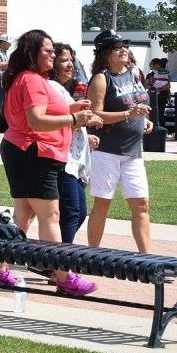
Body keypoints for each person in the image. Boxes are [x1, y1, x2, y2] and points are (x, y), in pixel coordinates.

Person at [0, 29, 100, 295]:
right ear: (32, 54)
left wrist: (73, 108)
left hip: (22, 150)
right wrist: (74, 120)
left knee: (23, 216)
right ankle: (63, 275)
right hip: (33, 152)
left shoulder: (25, 78)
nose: (53, 54)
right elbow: (36, 120)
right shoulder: (33, 80)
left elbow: (37, 114)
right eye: (47, 50)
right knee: (51, 216)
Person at [86, 30, 155, 253]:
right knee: (103, 204)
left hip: (133, 153)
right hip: (107, 151)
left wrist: (145, 119)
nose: (123, 49)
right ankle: (93, 254)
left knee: (141, 205)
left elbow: (138, 103)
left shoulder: (135, 73)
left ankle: (147, 258)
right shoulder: (101, 78)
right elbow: (95, 115)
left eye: (125, 45)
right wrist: (129, 115)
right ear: (105, 53)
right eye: (117, 47)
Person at [49, 42, 99, 244]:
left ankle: (54, 262)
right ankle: (61, 266)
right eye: (64, 60)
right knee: (71, 213)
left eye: (71, 60)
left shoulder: (62, 89)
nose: (70, 65)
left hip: (75, 159)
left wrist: (84, 137)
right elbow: (49, 123)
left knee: (78, 213)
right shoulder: (51, 88)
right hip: (62, 160)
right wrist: (84, 120)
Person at [146, 57, 171, 127]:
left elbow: (168, 86)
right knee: (156, 113)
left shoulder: (164, 73)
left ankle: (160, 128)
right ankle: (155, 128)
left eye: (151, 64)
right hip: (157, 95)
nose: (149, 65)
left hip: (160, 96)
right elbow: (146, 85)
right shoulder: (150, 74)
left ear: (156, 65)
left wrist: (155, 89)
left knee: (159, 113)